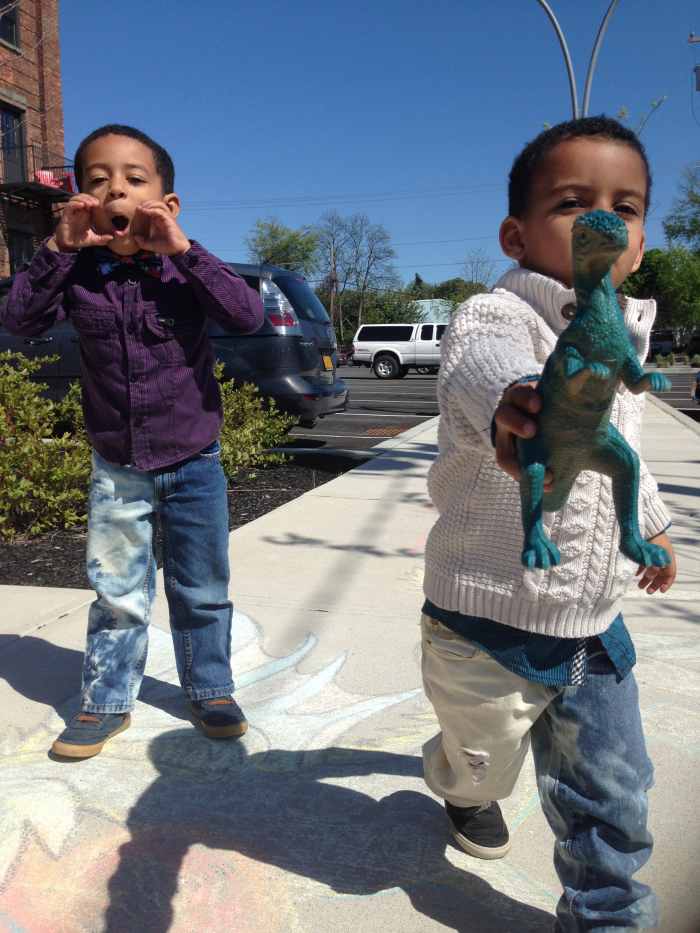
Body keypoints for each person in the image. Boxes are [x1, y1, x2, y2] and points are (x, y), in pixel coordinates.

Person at [421, 116, 676, 932]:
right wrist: (515, 404)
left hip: (593, 629)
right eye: (574, 201)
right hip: (483, 627)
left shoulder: (625, 331)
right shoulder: (494, 316)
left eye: (626, 205)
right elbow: (481, 371)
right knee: (481, 766)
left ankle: (606, 915)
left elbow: (627, 445)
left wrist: (655, 524)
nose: (605, 217)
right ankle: (457, 783)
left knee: (615, 791)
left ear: (638, 241)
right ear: (517, 234)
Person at [3, 125, 264, 759]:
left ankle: (211, 688)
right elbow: (18, 320)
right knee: (118, 591)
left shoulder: (184, 268)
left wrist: (186, 251)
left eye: (133, 178)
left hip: (194, 457)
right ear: (77, 199)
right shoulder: (77, 271)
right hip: (117, 462)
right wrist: (59, 249)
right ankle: (107, 697)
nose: (114, 187)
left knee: (201, 586)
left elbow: (246, 316)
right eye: (96, 179)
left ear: (166, 203)